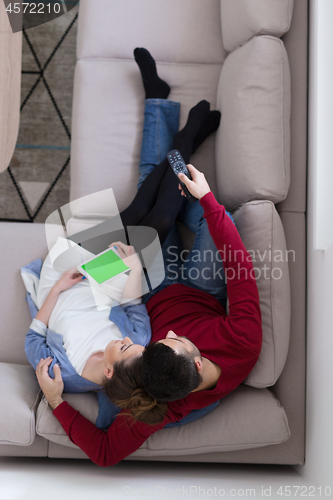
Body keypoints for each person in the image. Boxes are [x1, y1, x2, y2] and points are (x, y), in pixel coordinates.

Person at [35, 50, 262, 467]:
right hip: (199, 287)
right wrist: (207, 200)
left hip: (151, 285)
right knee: (215, 220)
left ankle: (165, 112)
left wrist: (55, 401)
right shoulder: (242, 346)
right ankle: (185, 154)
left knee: (147, 210)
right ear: (198, 358)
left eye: (161, 339)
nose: (171, 330)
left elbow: (104, 453)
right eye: (174, 339)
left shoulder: (155, 394)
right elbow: (239, 265)